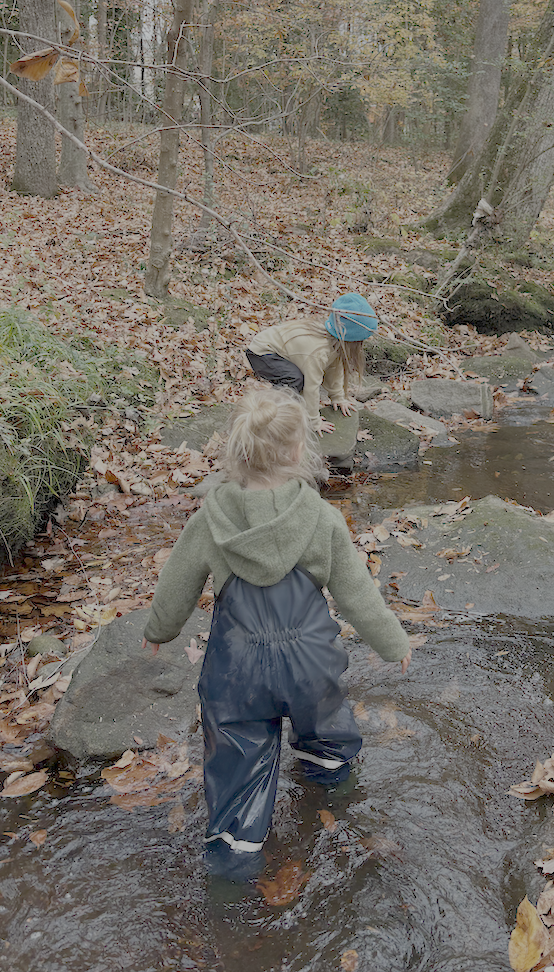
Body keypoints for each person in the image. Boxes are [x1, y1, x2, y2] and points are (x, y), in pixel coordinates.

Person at [142, 385, 411, 879]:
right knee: (325, 726)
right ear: (296, 452)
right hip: (310, 661)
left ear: (237, 452)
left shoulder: (211, 519)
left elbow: (177, 582)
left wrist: (158, 629)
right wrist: (394, 642)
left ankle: (232, 861)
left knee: (238, 756)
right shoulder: (321, 517)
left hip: (237, 668)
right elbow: (357, 592)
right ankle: (334, 793)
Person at [245, 293, 378, 433]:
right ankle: (271, 412)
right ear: (352, 339)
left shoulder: (334, 342)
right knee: (294, 379)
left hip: (282, 350)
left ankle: (282, 407)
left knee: (297, 379)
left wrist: (338, 397)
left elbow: (335, 368)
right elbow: (311, 388)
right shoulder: (318, 352)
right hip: (261, 352)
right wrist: (314, 421)